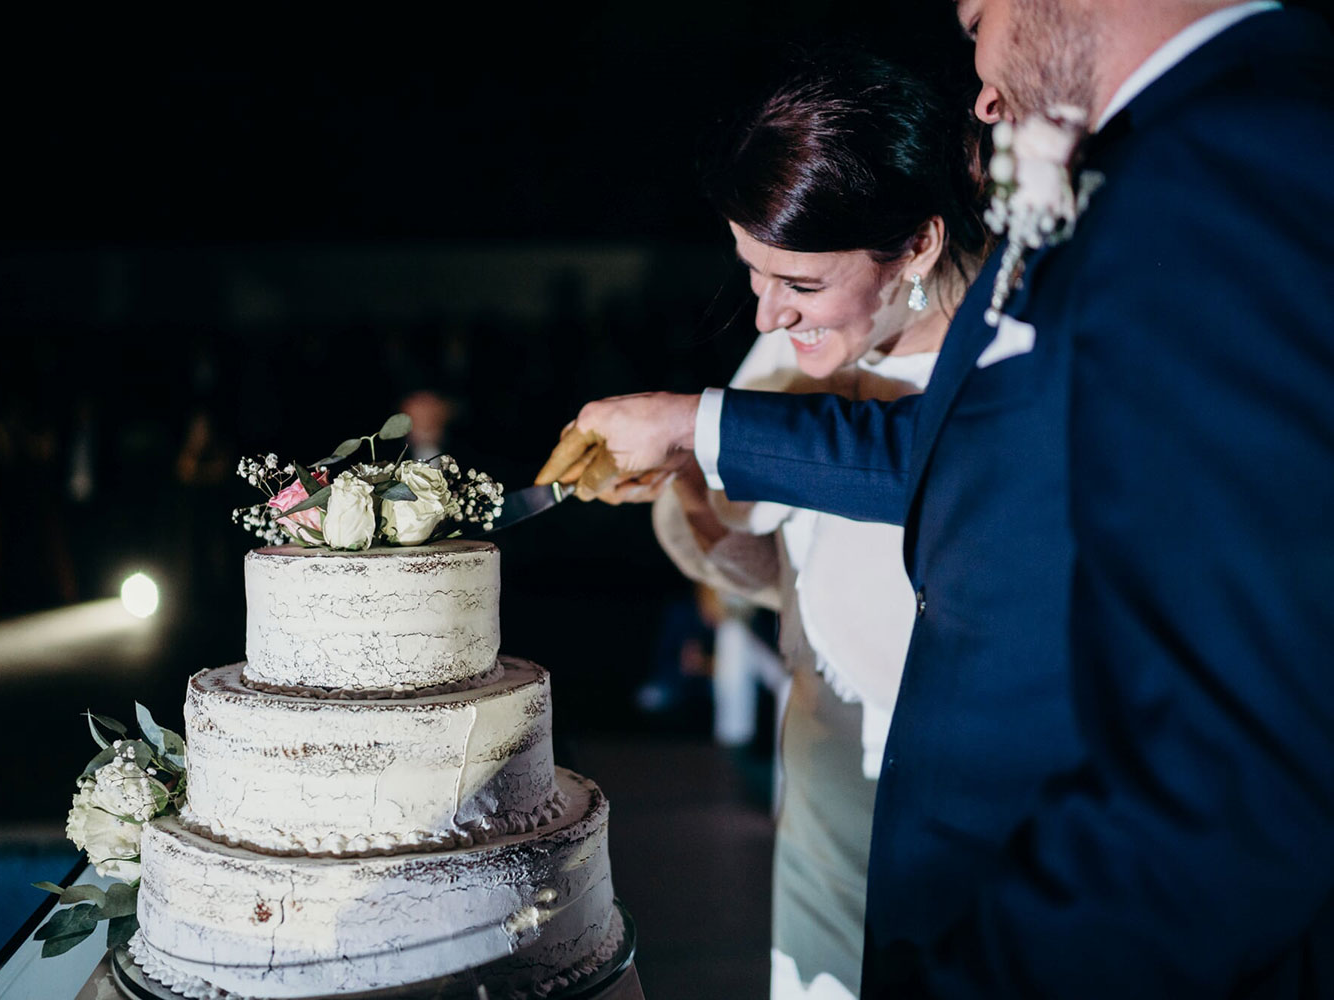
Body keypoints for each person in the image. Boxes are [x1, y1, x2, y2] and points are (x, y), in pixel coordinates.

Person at [537, 2, 1334, 995]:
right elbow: (950, 460)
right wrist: (698, 438)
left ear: (914, 248)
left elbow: (1239, 758)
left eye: (977, 17)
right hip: (886, 828)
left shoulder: (1222, 163)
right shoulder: (1127, 182)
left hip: (1051, 879)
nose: (985, 85)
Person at [634, 53, 985, 999]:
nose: (767, 310)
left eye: (798, 280)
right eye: (752, 272)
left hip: (978, 802)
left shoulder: (1009, 365)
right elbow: (764, 572)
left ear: (915, 245)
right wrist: (695, 489)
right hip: (826, 775)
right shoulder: (786, 346)